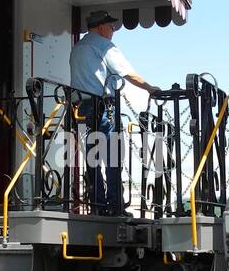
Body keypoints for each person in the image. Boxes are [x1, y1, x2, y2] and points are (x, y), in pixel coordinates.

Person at [69, 11, 163, 214]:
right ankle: (115, 205)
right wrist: (150, 88)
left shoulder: (77, 48)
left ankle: (97, 204)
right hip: (103, 108)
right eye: (111, 27)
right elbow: (128, 73)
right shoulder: (104, 45)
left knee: (92, 159)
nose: (113, 31)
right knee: (113, 158)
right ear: (100, 27)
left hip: (81, 109)